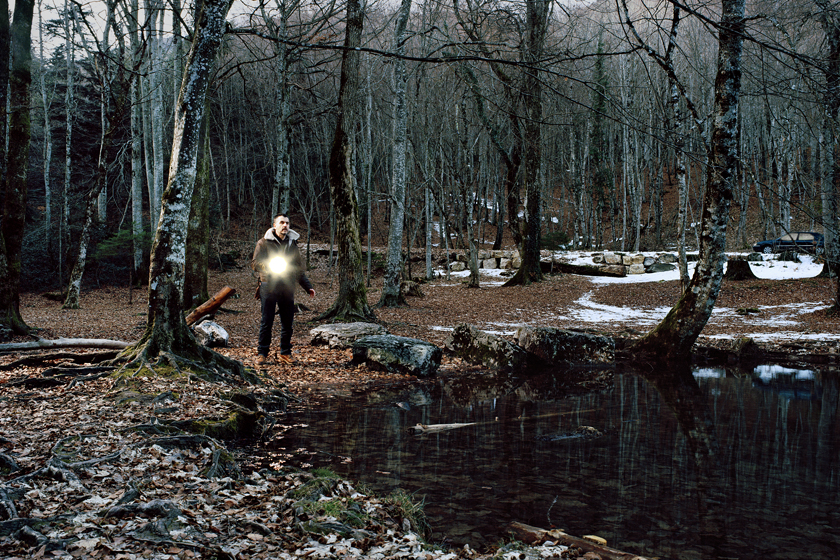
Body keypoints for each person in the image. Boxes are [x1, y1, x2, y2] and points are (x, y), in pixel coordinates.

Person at [251, 213, 315, 365]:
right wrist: (270, 266)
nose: (285, 225)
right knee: (267, 321)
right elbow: (255, 263)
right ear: (274, 225)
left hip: (287, 287)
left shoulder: (292, 244)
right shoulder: (264, 242)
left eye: (287, 223)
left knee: (288, 322)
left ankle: (285, 352)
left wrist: (308, 287)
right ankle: (262, 353)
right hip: (268, 286)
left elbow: (298, 269)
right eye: (281, 223)